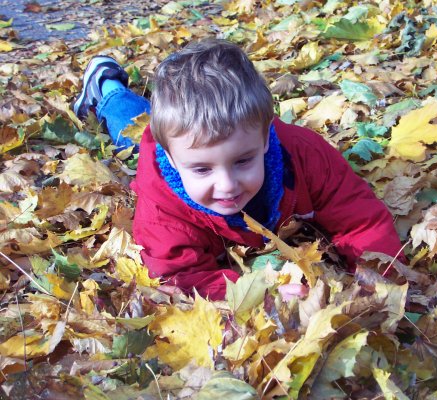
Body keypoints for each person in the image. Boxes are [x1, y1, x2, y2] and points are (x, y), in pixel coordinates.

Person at [73, 38, 406, 300]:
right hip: (153, 144)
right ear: (173, 160)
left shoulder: (304, 154)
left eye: (243, 161)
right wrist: (261, 294)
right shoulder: (162, 208)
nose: (227, 185)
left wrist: (377, 281)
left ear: (265, 138)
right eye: (202, 169)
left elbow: (361, 218)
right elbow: (179, 276)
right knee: (129, 131)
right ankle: (108, 87)